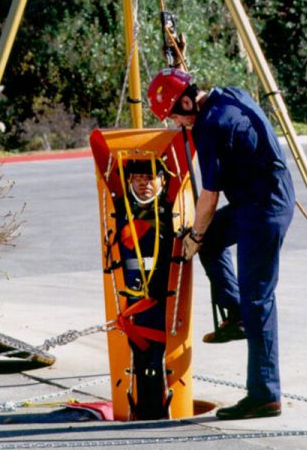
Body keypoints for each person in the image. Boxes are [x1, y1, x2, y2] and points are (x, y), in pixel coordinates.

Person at [147, 68, 295, 420]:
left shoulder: (209, 126)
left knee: (258, 298)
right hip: (253, 201)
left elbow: (209, 198)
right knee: (214, 243)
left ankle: (264, 394)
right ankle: (235, 313)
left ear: (187, 102)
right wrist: (203, 238)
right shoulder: (228, 94)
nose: (178, 124)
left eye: (176, 116)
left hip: (264, 209)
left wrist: (194, 238)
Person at [114, 159, 174, 420]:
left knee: (160, 356)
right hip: (131, 303)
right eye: (137, 176)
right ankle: (140, 408)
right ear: (129, 181)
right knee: (137, 357)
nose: (143, 182)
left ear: (162, 180)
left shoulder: (171, 211)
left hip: (163, 300)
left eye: (150, 177)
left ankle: (162, 409)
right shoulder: (118, 210)